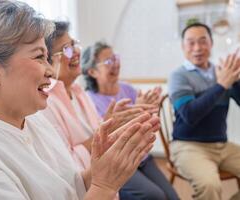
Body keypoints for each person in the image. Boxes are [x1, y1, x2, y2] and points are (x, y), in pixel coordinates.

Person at [0, 1, 158, 200]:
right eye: (38, 57)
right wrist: (104, 186)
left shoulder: (32, 120)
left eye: (47, 57)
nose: (50, 71)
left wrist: (102, 171)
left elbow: (70, 187)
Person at [42, 21, 160, 200]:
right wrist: (106, 131)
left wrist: (113, 122)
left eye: (75, 45)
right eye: (67, 49)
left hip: (105, 182)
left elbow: (100, 130)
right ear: (47, 60)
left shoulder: (78, 91)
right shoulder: (46, 101)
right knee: (155, 195)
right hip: (86, 189)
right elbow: (67, 162)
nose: (76, 52)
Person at [81, 41, 179, 200]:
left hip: (142, 156)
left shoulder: (126, 88)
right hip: (118, 160)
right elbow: (106, 139)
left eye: (115, 58)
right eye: (108, 61)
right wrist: (137, 113)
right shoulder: (89, 101)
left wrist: (148, 109)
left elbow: (146, 124)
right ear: (92, 71)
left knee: (173, 197)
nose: (115, 64)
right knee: (155, 196)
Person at [168, 22, 240, 200]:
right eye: (191, 43)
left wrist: (236, 81)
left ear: (211, 43)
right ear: (183, 47)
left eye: (203, 41)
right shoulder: (178, 76)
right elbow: (190, 115)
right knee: (210, 185)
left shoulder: (222, 71)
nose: (197, 48)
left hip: (221, 145)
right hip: (188, 146)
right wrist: (222, 85)